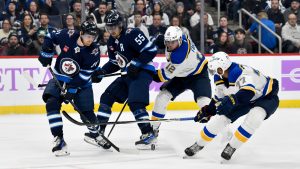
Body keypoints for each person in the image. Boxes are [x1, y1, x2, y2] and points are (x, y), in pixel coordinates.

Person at [184, 52, 279, 161]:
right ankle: (199, 144)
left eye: (217, 70)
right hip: (243, 98)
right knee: (220, 119)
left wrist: (232, 100)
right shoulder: (219, 76)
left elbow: (248, 93)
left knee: (254, 118)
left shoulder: (238, 72)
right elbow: (218, 97)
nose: (215, 73)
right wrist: (208, 110)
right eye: (213, 71)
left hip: (266, 97)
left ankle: (232, 147)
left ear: (224, 66)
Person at [91, 10, 158, 149]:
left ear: (121, 25)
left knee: (135, 102)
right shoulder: (111, 41)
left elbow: (151, 50)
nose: (111, 30)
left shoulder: (132, 33)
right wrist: (102, 71)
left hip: (143, 72)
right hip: (127, 75)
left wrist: (136, 63)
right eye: (109, 28)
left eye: (113, 27)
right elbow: (115, 63)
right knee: (106, 97)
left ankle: (148, 134)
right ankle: (100, 131)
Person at [38, 20, 102, 156]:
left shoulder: (94, 51)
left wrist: (71, 90)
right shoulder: (69, 34)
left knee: (86, 112)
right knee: (51, 103)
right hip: (60, 78)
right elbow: (50, 34)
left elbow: (84, 77)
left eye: (93, 36)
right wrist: (46, 53)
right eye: (88, 36)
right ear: (82, 33)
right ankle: (58, 139)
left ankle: (95, 135)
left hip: (81, 84)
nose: (91, 39)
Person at [151, 26, 211, 139]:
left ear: (179, 40)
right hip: (180, 75)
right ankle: (152, 131)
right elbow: (162, 40)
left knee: (206, 106)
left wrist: (145, 71)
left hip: (198, 75)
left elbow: (161, 77)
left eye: (172, 42)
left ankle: (226, 134)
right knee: (162, 97)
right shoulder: (179, 37)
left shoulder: (179, 56)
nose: (169, 44)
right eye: (167, 42)